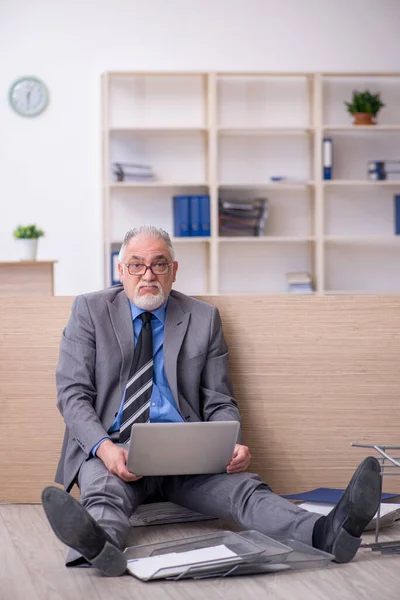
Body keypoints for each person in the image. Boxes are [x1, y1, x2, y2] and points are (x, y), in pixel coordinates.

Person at [42, 225, 381, 577]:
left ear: (174, 271)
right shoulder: (89, 311)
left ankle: (327, 532)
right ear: (120, 270)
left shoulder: (203, 318)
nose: (147, 275)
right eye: (136, 265)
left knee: (245, 492)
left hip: (186, 451)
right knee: (103, 493)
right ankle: (101, 547)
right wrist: (104, 449)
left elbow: (219, 400)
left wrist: (230, 443)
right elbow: (73, 394)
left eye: (159, 265)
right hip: (114, 447)